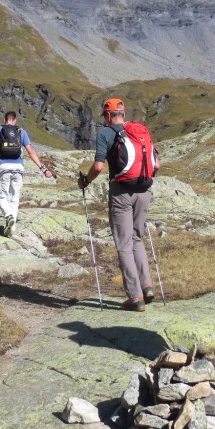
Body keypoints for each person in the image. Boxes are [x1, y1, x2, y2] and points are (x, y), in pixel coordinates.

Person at [78, 97, 157, 312]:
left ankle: (135, 297)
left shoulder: (105, 134)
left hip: (121, 191)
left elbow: (98, 166)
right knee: (137, 238)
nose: (104, 119)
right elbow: (156, 164)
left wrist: (85, 180)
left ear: (108, 115)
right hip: (144, 190)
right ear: (123, 113)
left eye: (104, 115)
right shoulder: (140, 131)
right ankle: (147, 286)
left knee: (123, 244)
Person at [0, 111, 54, 236]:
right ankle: (11, 230)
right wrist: (43, 169)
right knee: (14, 198)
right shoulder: (21, 132)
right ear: (15, 120)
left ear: (5, 119)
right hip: (18, 167)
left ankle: (8, 217)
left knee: (3, 196)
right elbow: (31, 151)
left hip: (3, 167)